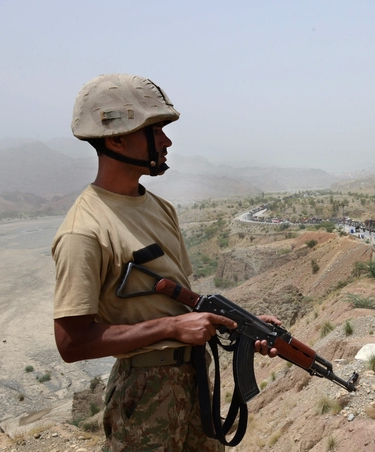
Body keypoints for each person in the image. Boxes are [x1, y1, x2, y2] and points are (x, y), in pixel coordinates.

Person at [52, 74, 281, 452]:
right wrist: (171, 326)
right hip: (144, 393)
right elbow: (71, 342)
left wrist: (242, 324)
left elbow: (181, 300)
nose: (167, 140)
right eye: (154, 129)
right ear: (117, 138)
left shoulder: (159, 207)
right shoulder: (84, 230)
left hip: (193, 377)